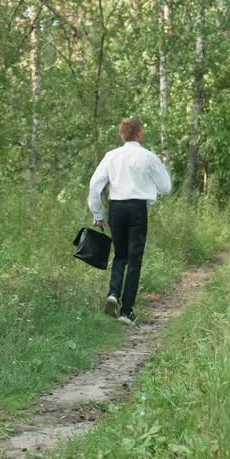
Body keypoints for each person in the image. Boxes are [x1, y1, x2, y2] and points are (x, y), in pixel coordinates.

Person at [87, 119, 172, 325]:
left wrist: (97, 213)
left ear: (121, 134)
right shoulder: (148, 157)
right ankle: (126, 312)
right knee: (135, 259)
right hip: (137, 209)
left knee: (120, 255)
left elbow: (95, 184)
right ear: (140, 134)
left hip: (116, 208)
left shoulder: (112, 156)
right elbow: (166, 188)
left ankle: (113, 293)